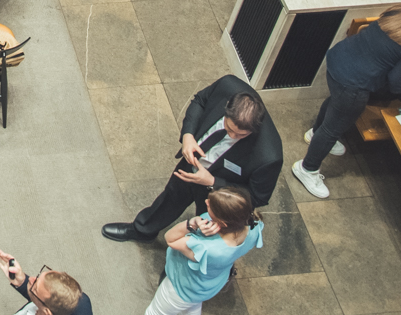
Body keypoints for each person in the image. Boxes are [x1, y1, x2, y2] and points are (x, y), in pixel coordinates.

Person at [293, 0, 401, 198]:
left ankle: (315, 133)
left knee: (335, 104)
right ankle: (307, 169)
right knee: (333, 129)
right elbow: (396, 81)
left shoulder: (396, 14)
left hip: (339, 60)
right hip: (354, 84)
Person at [103, 76, 281, 243]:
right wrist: (188, 136)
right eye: (228, 128)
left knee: (208, 228)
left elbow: (257, 197)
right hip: (192, 162)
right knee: (171, 196)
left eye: (240, 134)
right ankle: (142, 230)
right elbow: (200, 101)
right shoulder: (227, 85)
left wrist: (213, 182)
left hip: (221, 193)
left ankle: (186, 263)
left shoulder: (269, 156)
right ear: (226, 109)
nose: (232, 136)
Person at [117, 187, 261, 315]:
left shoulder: (205, 247)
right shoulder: (252, 227)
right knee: (191, 308)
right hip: (206, 286)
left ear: (222, 223)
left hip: (181, 287)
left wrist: (191, 223)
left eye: (210, 205)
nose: (206, 201)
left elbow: (170, 239)